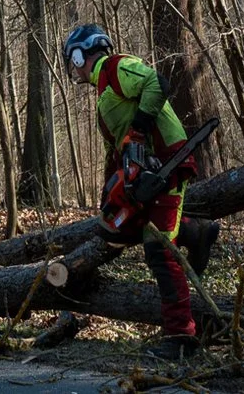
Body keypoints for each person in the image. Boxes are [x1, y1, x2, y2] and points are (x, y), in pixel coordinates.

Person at [63, 23, 202, 356]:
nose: (73, 67)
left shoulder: (116, 67)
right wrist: (108, 194)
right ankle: (196, 233)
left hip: (166, 162)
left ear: (81, 54)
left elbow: (157, 83)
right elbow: (116, 151)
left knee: (159, 250)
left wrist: (140, 129)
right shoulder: (103, 96)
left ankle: (181, 336)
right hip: (144, 175)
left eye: (73, 59)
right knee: (123, 231)